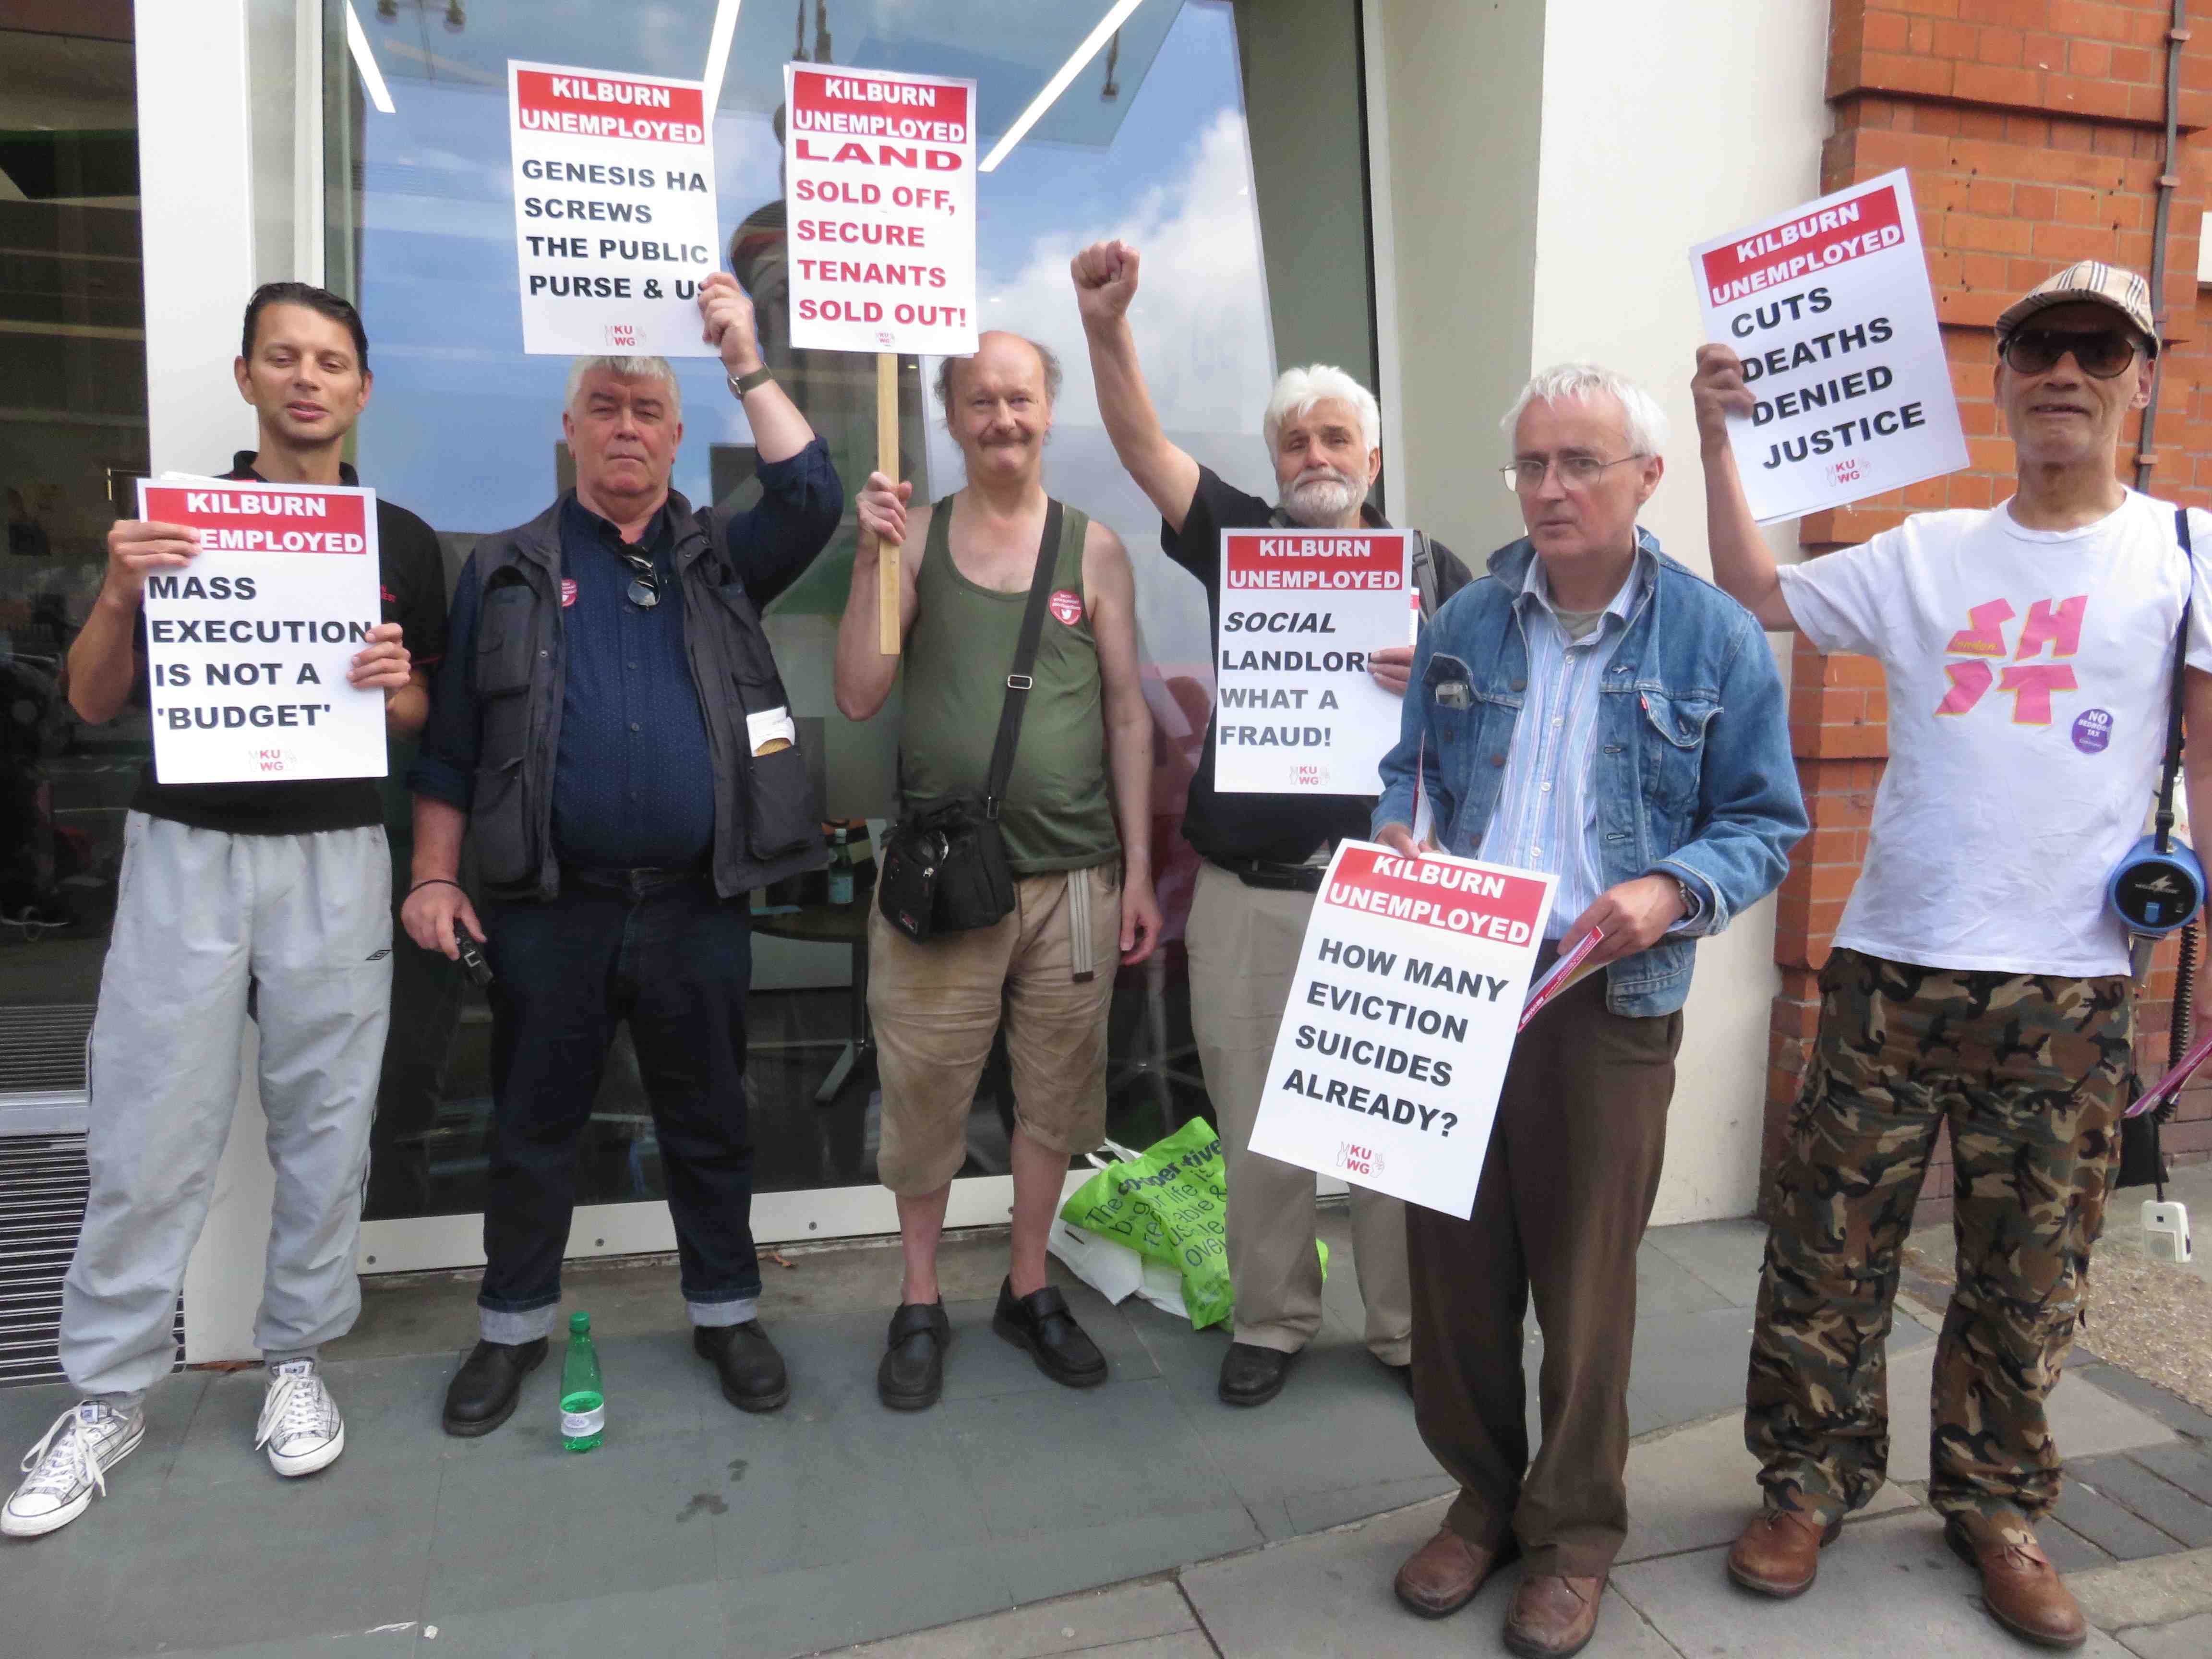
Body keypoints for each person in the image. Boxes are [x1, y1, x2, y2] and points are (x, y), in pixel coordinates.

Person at [1697, 262, 2212, 1651]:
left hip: (2071, 981)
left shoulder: (2189, 551)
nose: (2065, 371)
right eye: (2038, 344)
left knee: (2027, 1270)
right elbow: (1753, 587)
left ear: (2142, 379)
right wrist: (1714, 436)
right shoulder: (1925, 553)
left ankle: (1993, 1508)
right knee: (1828, 1246)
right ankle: (1806, 1482)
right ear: (1998, 375)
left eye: (2098, 350)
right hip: (1892, 963)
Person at [1375, 364, 1804, 1657]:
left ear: (1646, 479)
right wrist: (1399, 834)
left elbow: (1767, 822)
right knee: (1449, 1275)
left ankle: (1572, 1534)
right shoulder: (1464, 625)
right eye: (1533, 466)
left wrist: (1672, 889)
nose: (1552, 489)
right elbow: (1409, 774)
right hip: (1449, 982)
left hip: (1605, 998)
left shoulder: (1713, 635)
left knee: (1585, 1285)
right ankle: (1482, 1501)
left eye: (1581, 464)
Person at [3, 284, 445, 1538]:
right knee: (150, 1124)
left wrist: (395, 686)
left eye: (333, 362)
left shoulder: (395, 538)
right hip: (188, 848)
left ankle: (295, 1360)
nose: (309, 380)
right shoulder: (170, 526)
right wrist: (113, 593)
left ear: (362, 388)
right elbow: (90, 704)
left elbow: (420, 719)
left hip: (332, 854)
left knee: (326, 1123)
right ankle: (105, 1392)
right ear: (248, 376)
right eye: (285, 358)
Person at [403, 275, 842, 1435]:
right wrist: (433, 875)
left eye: (648, 407)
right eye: (606, 405)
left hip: (699, 904)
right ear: (571, 426)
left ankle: (727, 1312)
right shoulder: (503, 569)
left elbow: (809, 489)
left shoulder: (719, 559)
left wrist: (743, 351)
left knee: (710, 1124)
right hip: (553, 909)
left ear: (679, 430)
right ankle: (509, 1332)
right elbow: (451, 749)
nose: (628, 427)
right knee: (532, 1129)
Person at [1071, 237, 1471, 1408]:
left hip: (1385, 888)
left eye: (1336, 437)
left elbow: (1493, 725)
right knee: (1257, 1121)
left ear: (1374, 457)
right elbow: (1146, 454)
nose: (1315, 456)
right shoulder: (1241, 544)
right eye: (1296, 439)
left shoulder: (1435, 574)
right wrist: (1106, 329)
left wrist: (1434, 684)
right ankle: (1275, 1317)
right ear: (1275, 460)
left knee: (1392, 1128)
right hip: (1250, 892)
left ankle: (1406, 1332)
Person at [834, 331, 1161, 1409]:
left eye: (1019, 398)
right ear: (952, 416)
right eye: (980, 401)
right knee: (924, 1095)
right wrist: (871, 563)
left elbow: (1125, 713)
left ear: (1047, 410)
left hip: (1075, 881)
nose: (1001, 419)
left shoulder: (1095, 550)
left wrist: (1143, 874)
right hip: (942, 884)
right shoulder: (915, 539)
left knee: (1055, 1104)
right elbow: (859, 695)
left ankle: (1028, 1289)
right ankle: (920, 1297)